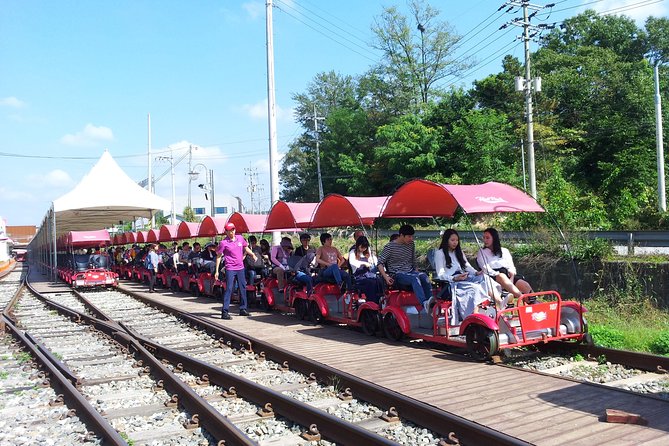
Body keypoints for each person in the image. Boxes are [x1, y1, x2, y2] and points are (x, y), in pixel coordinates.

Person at [435, 229, 491, 322]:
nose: (455, 243)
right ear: (446, 240)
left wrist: (476, 272)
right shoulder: (440, 253)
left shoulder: (458, 251)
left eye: (456, 240)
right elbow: (440, 275)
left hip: (463, 276)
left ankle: (497, 302)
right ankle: (475, 315)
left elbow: (466, 265)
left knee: (484, 278)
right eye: (452, 240)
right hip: (452, 282)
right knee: (475, 288)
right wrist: (454, 278)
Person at [377, 224, 433, 312]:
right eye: (409, 236)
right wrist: (386, 277)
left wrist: (418, 272)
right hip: (397, 274)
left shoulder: (411, 244)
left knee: (424, 276)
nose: (411, 239)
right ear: (402, 235)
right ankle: (424, 303)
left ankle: (431, 303)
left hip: (410, 271)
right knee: (414, 278)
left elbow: (413, 261)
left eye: (412, 236)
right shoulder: (390, 247)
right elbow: (380, 263)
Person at [476, 227, 533, 307]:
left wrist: (512, 276)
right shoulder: (482, 252)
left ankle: (534, 304)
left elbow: (511, 265)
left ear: (494, 238)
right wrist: (498, 276)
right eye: (484, 238)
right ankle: (521, 297)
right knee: (501, 276)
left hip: (508, 275)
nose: (485, 240)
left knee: (525, 285)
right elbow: (485, 268)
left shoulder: (504, 251)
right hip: (493, 276)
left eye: (488, 238)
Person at [215, 223, 257, 319]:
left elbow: (246, 248)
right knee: (229, 288)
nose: (232, 232)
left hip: (240, 267)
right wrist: (217, 271)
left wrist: (252, 255)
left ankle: (243, 309)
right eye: (230, 230)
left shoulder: (240, 238)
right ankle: (224, 312)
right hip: (230, 268)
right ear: (226, 232)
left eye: (233, 229)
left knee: (243, 288)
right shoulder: (223, 243)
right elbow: (218, 256)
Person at [348, 236, 383, 304]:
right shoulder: (353, 252)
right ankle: (372, 302)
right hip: (358, 277)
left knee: (379, 280)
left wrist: (371, 261)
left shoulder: (367, 253)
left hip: (368, 274)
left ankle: (380, 300)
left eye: (365, 247)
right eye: (362, 247)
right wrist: (364, 263)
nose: (363, 249)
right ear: (358, 245)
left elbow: (375, 261)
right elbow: (352, 262)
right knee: (371, 282)